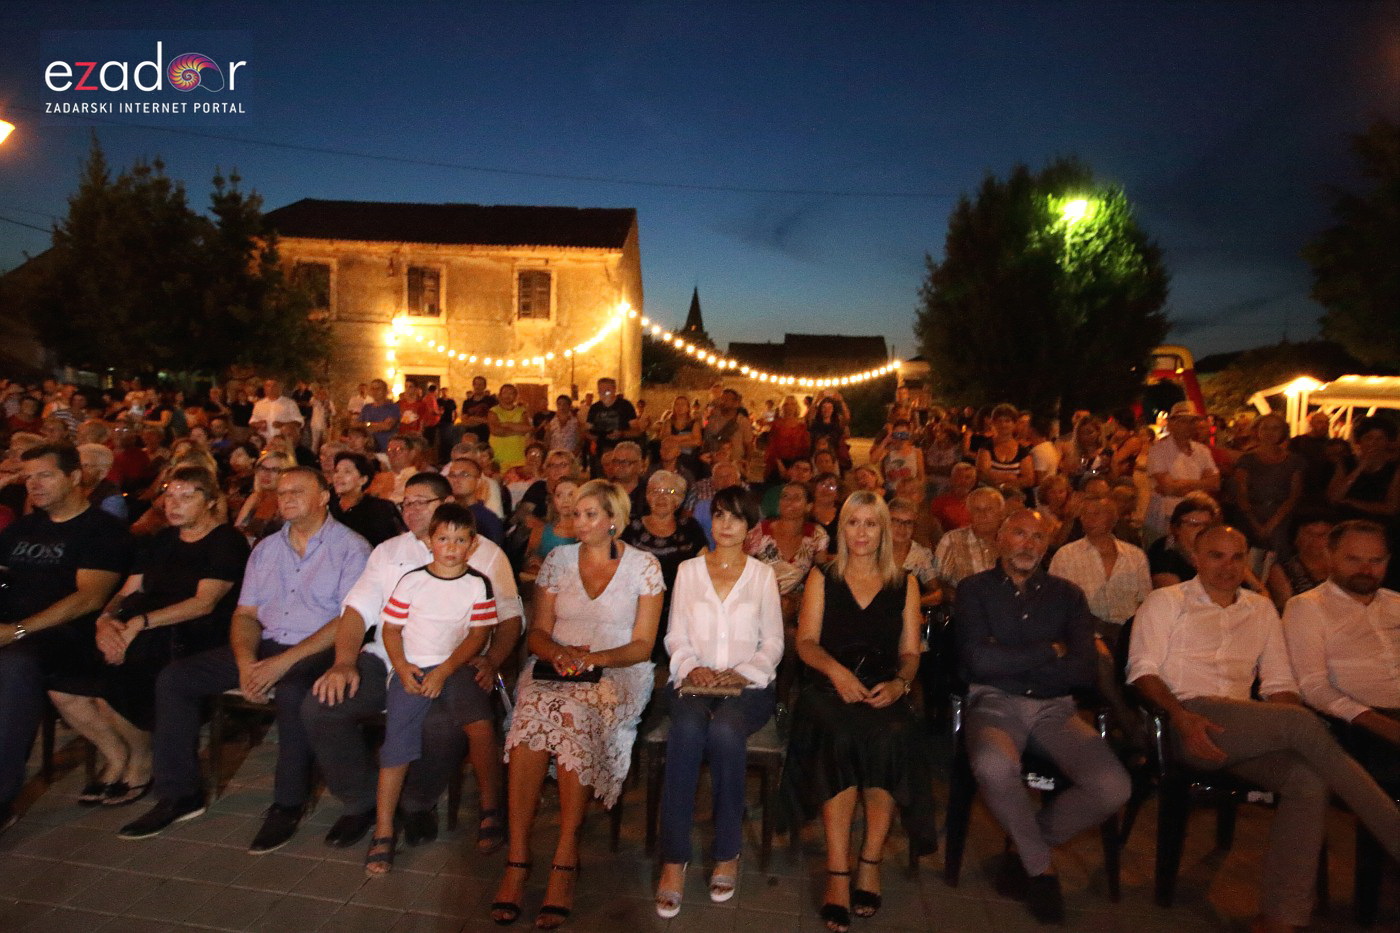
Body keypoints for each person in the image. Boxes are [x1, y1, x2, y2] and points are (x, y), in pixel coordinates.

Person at [1129, 523, 1400, 933]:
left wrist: (1288, 732)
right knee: (1298, 722)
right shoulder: (1166, 601)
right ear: (1196, 558)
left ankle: (1279, 916)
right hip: (1185, 720)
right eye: (1216, 555)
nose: (1227, 566)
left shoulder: (1260, 609)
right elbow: (1142, 671)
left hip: (1242, 728)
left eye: (1237, 557)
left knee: (1308, 779)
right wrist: (1181, 718)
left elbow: (1279, 686)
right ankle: (1393, 830)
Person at [118, 467, 370, 851]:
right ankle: (180, 794)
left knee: (293, 693)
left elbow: (348, 620)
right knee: (175, 678)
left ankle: (288, 803)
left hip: (317, 648)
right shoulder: (267, 549)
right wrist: (245, 663)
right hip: (265, 644)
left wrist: (281, 664)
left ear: (323, 497)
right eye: (281, 492)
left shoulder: (351, 547)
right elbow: (245, 615)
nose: (286, 499)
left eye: (297, 492)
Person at [306, 472, 521, 854]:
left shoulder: (484, 554)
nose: (411, 510)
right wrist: (344, 661)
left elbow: (508, 618)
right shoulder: (389, 552)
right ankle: (362, 800)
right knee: (323, 705)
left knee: (443, 724)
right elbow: (357, 610)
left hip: (452, 662)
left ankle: (417, 802)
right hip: (388, 657)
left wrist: (492, 660)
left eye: (421, 502)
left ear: (447, 504)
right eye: (406, 503)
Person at [490, 480, 664, 929]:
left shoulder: (644, 567)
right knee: (529, 719)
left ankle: (565, 857)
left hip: (618, 669)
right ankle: (518, 857)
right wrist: (558, 654)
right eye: (576, 514)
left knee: (576, 715)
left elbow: (643, 645)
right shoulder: (558, 561)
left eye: (590, 514)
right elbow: (537, 633)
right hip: (557, 666)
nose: (580, 522)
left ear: (613, 519)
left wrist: (593, 660)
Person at [957, 508, 1131, 924]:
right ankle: (1041, 870)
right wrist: (1050, 650)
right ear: (999, 538)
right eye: (1019, 533)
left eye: (1038, 537)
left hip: (1056, 708)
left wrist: (1010, 659)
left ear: (1047, 545)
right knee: (994, 765)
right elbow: (979, 662)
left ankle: (1025, 847)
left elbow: (1082, 670)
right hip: (995, 702)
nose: (1028, 544)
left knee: (1113, 786)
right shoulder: (975, 590)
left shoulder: (1068, 595)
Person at [784, 491, 934, 933]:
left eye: (871, 523)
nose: (862, 532)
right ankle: (837, 870)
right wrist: (837, 673)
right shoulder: (823, 576)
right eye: (853, 522)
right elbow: (805, 642)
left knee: (890, 736)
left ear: (883, 530)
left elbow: (911, 652)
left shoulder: (904, 583)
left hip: (883, 686)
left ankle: (869, 862)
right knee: (841, 736)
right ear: (842, 528)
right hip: (828, 686)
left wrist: (900, 684)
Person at [82, 467, 248, 807]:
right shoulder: (161, 540)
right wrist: (105, 620)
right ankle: (124, 753)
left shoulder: (226, 541)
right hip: (144, 625)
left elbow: (204, 603)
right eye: (170, 496)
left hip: (194, 631)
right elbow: (129, 590)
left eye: (186, 497)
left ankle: (141, 759)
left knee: (120, 666)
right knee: (86, 665)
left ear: (210, 502)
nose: (174, 504)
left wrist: (139, 624)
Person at [654, 488, 783, 917]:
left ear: (750, 528)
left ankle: (727, 851)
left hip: (748, 687)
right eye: (720, 515)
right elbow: (674, 634)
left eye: (737, 518)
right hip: (693, 682)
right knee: (689, 728)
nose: (726, 525)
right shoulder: (688, 571)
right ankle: (674, 859)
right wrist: (692, 667)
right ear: (711, 520)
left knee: (727, 731)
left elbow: (774, 642)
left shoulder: (762, 576)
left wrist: (743, 672)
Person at [0, 444, 130, 831]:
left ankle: (2, 796)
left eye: (45, 475)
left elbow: (88, 598)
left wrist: (17, 630)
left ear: (74, 477)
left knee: (15, 665)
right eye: (28, 477)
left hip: (71, 636)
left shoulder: (102, 530)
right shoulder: (23, 529)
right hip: (14, 630)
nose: (34, 485)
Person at [364, 503, 499, 876]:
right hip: (413, 667)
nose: (451, 548)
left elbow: (477, 635)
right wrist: (401, 666)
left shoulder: (477, 584)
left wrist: (446, 670)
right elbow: (391, 629)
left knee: (480, 725)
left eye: (460, 540)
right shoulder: (412, 581)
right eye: (443, 539)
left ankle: (490, 808)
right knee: (397, 745)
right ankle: (384, 828)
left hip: (455, 665)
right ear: (430, 541)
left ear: (472, 544)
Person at [1282, 520, 1399, 781]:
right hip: (1359, 724)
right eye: (1353, 559)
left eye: (1376, 561)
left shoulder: (1395, 603)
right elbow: (1313, 687)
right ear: (1329, 555)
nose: (1366, 570)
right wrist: (1376, 722)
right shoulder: (1308, 607)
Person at [621, 470, 708, 662]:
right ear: (647, 496)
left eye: (669, 492)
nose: (661, 497)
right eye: (656, 491)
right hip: (638, 607)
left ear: (679, 499)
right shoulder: (631, 527)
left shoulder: (690, 527)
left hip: (680, 606)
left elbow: (705, 566)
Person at [1048, 496, 1150, 651]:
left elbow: (1145, 601)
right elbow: (1056, 605)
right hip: (1085, 635)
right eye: (1085, 514)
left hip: (1129, 635)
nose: (1089, 519)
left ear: (1113, 518)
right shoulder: (1066, 556)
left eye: (1096, 513)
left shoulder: (1135, 556)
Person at [1144, 402, 1220, 544]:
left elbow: (1215, 483)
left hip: (1196, 517)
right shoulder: (1158, 450)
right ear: (1172, 424)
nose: (1189, 426)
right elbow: (1168, 487)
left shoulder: (1202, 451)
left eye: (1192, 421)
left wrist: (1182, 484)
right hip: (1166, 518)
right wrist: (1201, 485)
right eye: (1183, 421)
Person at [1233, 414, 1305, 560]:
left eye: (1275, 428)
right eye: (1265, 428)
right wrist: (1255, 523)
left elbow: (1293, 496)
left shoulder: (1294, 461)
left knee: (1280, 551)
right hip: (1251, 514)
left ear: (1283, 432)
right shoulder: (1246, 460)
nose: (1269, 432)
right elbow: (1241, 494)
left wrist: (1273, 523)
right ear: (1257, 431)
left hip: (1282, 515)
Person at [933, 486, 1006, 599]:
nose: (983, 515)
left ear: (1001, 513)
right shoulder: (952, 540)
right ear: (969, 514)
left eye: (989, 509)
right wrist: (962, 599)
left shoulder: (1011, 541)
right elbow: (938, 582)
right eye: (977, 510)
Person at [330, 451, 405, 546]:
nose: (338, 476)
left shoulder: (380, 509)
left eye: (347, 472)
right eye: (336, 471)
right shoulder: (327, 506)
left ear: (363, 480)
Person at [1265, 511, 1334, 610]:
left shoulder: (1342, 567)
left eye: (1323, 534)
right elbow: (1288, 607)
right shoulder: (1282, 571)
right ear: (1296, 538)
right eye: (1309, 533)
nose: (1315, 539)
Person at [1147, 495, 1220, 588]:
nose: (1201, 529)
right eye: (1194, 525)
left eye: (1206, 525)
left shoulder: (1216, 549)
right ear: (1176, 528)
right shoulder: (1163, 551)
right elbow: (1171, 591)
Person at [976, 404, 1034, 502]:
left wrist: (1004, 484)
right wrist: (1010, 477)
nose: (1003, 425)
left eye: (1007, 421)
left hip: (1015, 499)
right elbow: (982, 474)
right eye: (999, 421)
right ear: (993, 423)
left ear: (1014, 424)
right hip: (990, 498)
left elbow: (1029, 479)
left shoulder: (1022, 451)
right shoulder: (986, 447)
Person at [526, 472, 582, 572]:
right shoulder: (539, 531)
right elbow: (529, 564)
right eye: (559, 495)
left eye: (571, 494)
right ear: (553, 500)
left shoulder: (588, 531)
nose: (565, 500)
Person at [444, 456, 506, 547]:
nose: (456, 480)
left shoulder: (487, 519)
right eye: (452, 475)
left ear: (478, 482)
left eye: (464, 475)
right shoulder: (443, 512)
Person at [235, 450, 292, 544]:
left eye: (274, 470)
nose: (266, 474)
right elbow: (237, 530)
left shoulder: (288, 502)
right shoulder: (255, 498)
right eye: (263, 468)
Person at [585, 377, 639, 467]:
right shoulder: (595, 408)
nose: (603, 394)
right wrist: (594, 438)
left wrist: (621, 434)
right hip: (601, 452)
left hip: (622, 453)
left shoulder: (625, 406)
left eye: (607, 391)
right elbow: (586, 430)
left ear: (614, 390)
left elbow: (636, 431)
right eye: (600, 391)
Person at [77, 442, 128, 522]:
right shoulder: (73, 489)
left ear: (103, 473)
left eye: (85, 466)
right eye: (76, 464)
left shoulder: (112, 500)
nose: (78, 470)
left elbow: (107, 527)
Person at [764, 397, 811, 482]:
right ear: (782, 407)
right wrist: (781, 466)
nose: (789, 407)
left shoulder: (802, 426)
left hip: (796, 464)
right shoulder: (776, 424)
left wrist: (794, 468)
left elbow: (805, 447)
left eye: (792, 404)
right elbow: (772, 446)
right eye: (786, 404)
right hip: (778, 463)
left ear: (796, 407)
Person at [488, 383, 532, 471]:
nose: (507, 396)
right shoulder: (493, 411)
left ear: (515, 396)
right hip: (498, 457)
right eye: (505, 393)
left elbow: (527, 428)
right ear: (500, 395)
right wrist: (518, 431)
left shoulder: (521, 411)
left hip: (519, 457)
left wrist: (507, 424)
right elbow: (495, 431)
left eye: (511, 393)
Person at [249, 378, 304, 445]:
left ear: (279, 388)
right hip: (264, 443)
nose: (271, 388)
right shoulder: (259, 404)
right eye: (268, 386)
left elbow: (300, 422)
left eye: (274, 386)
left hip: (282, 443)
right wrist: (258, 424)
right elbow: (252, 421)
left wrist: (283, 424)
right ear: (264, 388)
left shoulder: (289, 403)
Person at [358, 379, 402, 453]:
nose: (375, 391)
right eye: (373, 389)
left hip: (386, 448)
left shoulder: (393, 407)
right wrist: (378, 425)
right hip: (368, 449)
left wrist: (367, 424)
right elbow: (358, 425)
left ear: (385, 391)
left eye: (378, 389)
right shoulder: (366, 408)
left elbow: (386, 426)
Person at [459, 375, 498, 446]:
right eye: (476, 384)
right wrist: (480, 420)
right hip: (470, 435)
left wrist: (474, 419)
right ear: (473, 385)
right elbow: (464, 420)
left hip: (486, 435)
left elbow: (493, 420)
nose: (478, 387)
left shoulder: (491, 401)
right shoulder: (467, 402)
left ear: (484, 386)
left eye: (480, 384)